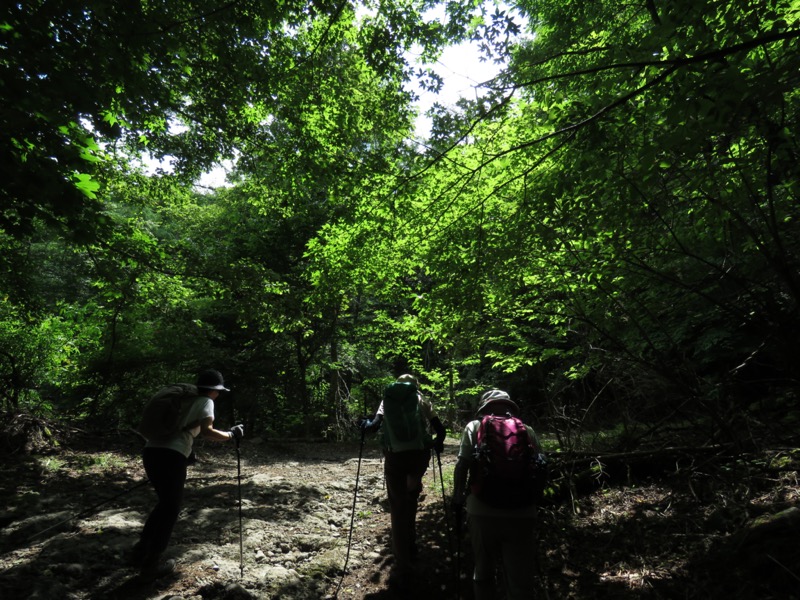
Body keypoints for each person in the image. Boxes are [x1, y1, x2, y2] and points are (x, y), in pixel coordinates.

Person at [130, 369, 245, 580]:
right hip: (171, 456)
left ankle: (140, 551)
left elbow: (183, 428)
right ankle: (151, 564)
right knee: (171, 507)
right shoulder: (205, 402)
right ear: (214, 390)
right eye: (218, 391)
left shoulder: (182, 400)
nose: (218, 395)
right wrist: (231, 434)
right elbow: (208, 431)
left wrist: (188, 451)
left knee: (165, 503)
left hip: (151, 451)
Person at [451, 389, 541, 600]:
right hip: (522, 513)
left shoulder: (474, 426)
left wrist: (457, 498)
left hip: (482, 510)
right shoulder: (526, 430)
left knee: (483, 572)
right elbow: (539, 468)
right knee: (520, 581)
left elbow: (462, 464)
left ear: (485, 408)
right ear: (510, 408)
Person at [361, 373, 447, 591]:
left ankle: (403, 563)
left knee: (397, 508)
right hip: (418, 455)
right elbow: (441, 430)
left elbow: (373, 425)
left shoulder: (387, 400)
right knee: (411, 498)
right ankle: (412, 543)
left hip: (395, 457)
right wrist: (437, 443)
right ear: (415, 385)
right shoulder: (421, 399)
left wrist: (365, 425)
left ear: (397, 384)